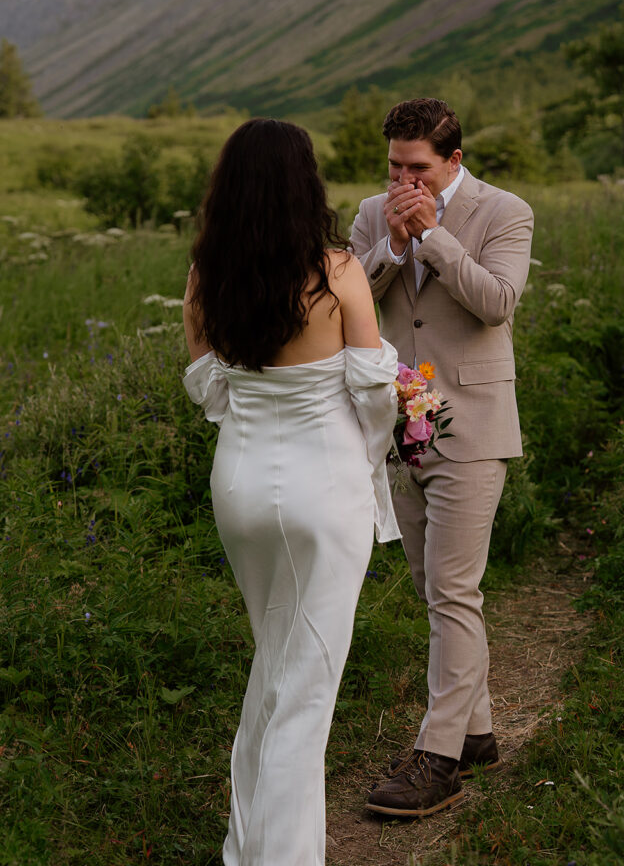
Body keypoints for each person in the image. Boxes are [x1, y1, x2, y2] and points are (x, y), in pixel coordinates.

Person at [181, 118, 399, 866]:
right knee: (305, 687)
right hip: (321, 485)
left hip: (239, 483)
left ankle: (246, 848)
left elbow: (210, 388)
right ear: (304, 184)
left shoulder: (207, 273)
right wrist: (378, 452)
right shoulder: (336, 271)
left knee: (274, 665)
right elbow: (374, 393)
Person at [350, 98, 533, 817]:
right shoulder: (373, 214)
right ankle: (477, 731)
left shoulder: (503, 210)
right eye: (394, 166)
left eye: (417, 168)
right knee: (434, 589)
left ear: (452, 160)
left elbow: (495, 303)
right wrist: (391, 248)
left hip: (474, 423)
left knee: (453, 590)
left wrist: (433, 239)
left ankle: (438, 758)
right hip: (397, 425)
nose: (403, 181)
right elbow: (345, 306)